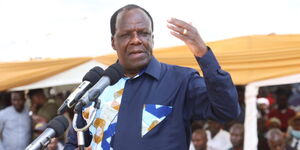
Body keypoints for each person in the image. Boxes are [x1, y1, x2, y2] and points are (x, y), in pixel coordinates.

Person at [64, 4, 240, 150]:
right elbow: (75, 141)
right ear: (113, 42)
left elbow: (227, 110)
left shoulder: (181, 80)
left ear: (152, 38)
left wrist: (203, 53)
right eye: (126, 35)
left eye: (143, 33)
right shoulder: (97, 87)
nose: (136, 40)